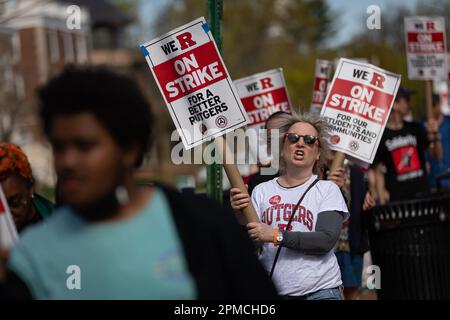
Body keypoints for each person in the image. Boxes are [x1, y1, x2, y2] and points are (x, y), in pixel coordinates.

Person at [0, 68, 276, 299]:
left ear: (130, 149)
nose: (67, 161)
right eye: (59, 147)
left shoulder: (200, 223)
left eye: (84, 146)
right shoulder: (32, 256)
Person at [230, 113, 349, 300]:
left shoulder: (327, 190)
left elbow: (325, 240)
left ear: (318, 153)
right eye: (293, 138)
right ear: (283, 148)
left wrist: (276, 235)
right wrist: (240, 216)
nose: (300, 143)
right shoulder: (261, 190)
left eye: (310, 140)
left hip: (320, 293)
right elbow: (252, 244)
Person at [370, 87, 443, 204]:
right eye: (407, 100)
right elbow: (378, 172)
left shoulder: (416, 127)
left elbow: (437, 156)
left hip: (423, 195)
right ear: (395, 105)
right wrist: (382, 201)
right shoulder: (381, 136)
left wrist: (436, 135)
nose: (410, 103)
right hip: (398, 201)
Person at [0, 143, 54, 233]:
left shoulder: (57, 224)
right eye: (1, 207)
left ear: (30, 188)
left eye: (15, 202)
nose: (7, 215)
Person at [424, 94, 450, 190]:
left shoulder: (448, 122)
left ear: (438, 105)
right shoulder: (423, 125)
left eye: (434, 105)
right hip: (433, 180)